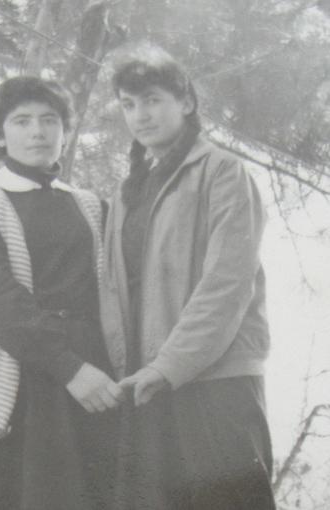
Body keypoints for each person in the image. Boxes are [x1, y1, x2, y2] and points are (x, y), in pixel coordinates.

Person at [100, 44, 276, 510]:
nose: (141, 115)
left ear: (187, 102)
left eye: (152, 100)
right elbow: (115, 290)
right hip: (149, 386)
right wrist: (131, 371)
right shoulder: (127, 192)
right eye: (129, 104)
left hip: (217, 381)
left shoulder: (223, 172)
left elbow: (227, 283)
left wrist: (168, 365)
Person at [0, 76, 123, 510]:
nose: (38, 131)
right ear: (0, 136)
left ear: (65, 131)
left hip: (93, 376)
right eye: (21, 121)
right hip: (22, 377)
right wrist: (70, 369)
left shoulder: (91, 205)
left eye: (49, 120)